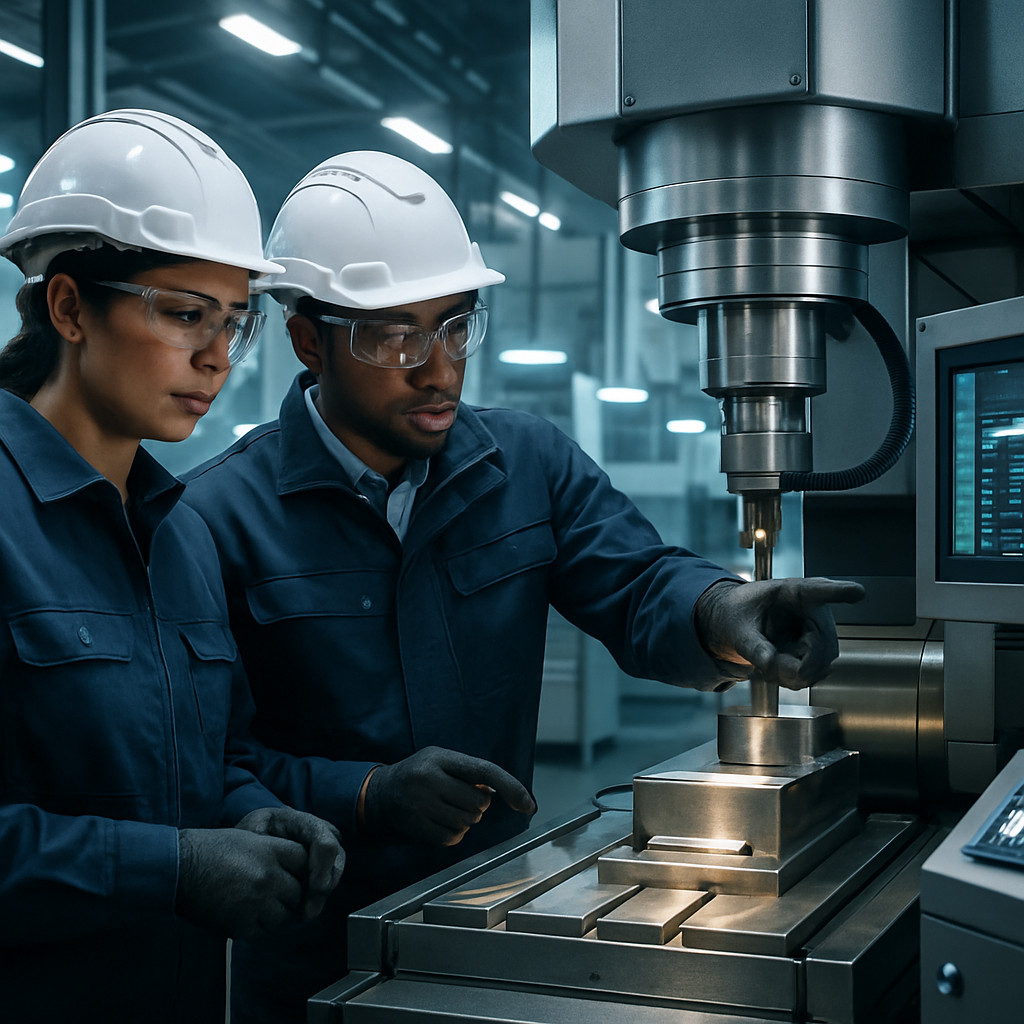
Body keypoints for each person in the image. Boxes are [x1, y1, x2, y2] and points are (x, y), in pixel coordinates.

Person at [183, 151, 865, 1023]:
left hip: (497, 920)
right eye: (396, 335)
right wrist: (366, 795)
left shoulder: (526, 466)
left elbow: (638, 581)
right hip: (317, 956)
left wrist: (723, 609)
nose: (438, 369)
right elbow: (209, 767)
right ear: (308, 338)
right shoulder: (215, 517)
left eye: (457, 325)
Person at [0, 110, 346, 1023]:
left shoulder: (182, 534)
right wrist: (173, 866)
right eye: (187, 315)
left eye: (235, 323)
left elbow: (210, 756)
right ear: (69, 306)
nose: (218, 357)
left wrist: (244, 813)